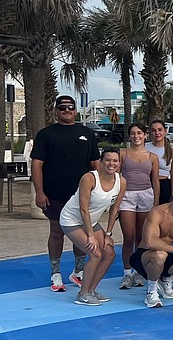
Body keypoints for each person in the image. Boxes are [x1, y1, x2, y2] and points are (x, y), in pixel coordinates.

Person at [31, 95, 101, 292]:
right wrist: (39, 192)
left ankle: (78, 272)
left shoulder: (87, 133)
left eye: (70, 107)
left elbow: (95, 164)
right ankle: (56, 274)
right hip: (54, 194)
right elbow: (37, 164)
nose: (66, 111)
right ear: (56, 111)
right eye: (62, 108)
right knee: (56, 233)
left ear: (76, 111)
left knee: (82, 234)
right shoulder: (45, 135)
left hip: (82, 196)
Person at [59, 148, 126, 306]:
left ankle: (90, 290)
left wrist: (108, 233)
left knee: (109, 253)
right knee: (95, 253)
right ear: (101, 162)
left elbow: (114, 210)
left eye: (115, 161)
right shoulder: (89, 178)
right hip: (72, 220)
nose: (111, 163)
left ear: (119, 163)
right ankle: (82, 294)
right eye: (108, 160)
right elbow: (83, 208)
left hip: (91, 221)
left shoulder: (121, 181)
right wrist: (90, 235)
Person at [118, 123, 161, 290]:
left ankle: (138, 271)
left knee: (141, 238)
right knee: (128, 236)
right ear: (130, 136)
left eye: (139, 133)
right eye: (133, 133)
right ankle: (127, 273)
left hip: (146, 196)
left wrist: (156, 203)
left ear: (145, 136)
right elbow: (116, 177)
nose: (136, 136)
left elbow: (155, 181)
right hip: (127, 195)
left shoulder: (152, 157)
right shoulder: (123, 153)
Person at [146, 120, 173, 205]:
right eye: (154, 130)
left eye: (160, 130)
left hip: (164, 186)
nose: (157, 133)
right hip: (147, 185)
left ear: (165, 131)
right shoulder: (144, 147)